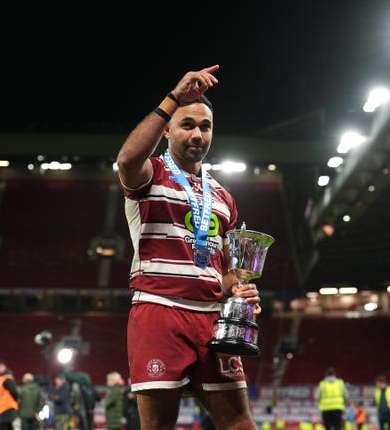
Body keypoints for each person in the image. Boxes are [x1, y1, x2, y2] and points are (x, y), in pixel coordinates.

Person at [116, 64, 261, 430]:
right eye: (187, 124)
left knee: (241, 424)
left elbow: (224, 272)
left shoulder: (224, 197)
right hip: (160, 311)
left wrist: (239, 289)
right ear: (167, 129)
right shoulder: (150, 174)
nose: (197, 133)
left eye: (205, 126)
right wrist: (173, 99)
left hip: (213, 318)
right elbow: (126, 161)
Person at [0, 360, 19, 430]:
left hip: (8, 409)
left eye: (0, 366)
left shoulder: (6, 379)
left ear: (4, 367)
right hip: (1, 410)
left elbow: (14, 392)